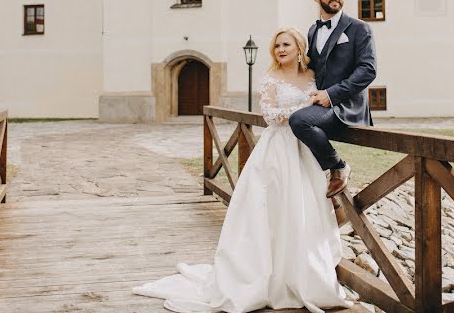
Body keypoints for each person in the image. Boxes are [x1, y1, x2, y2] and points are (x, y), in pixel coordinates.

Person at [133, 27, 352, 313]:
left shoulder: (313, 77)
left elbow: (325, 105)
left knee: (301, 209)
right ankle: (264, 276)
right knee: (268, 209)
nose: (280, 50)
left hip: (303, 152)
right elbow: (269, 115)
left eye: (286, 44)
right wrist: (299, 109)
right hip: (276, 150)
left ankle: (301, 274)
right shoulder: (270, 78)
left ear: (300, 48)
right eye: (276, 46)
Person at [289, 0, 377, 199]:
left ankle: (338, 166)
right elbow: (312, 69)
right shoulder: (313, 30)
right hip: (321, 106)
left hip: (346, 106)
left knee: (298, 121)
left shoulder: (359, 29)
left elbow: (368, 70)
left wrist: (331, 94)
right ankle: (319, 204)